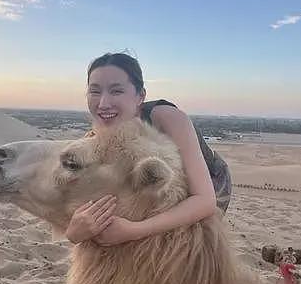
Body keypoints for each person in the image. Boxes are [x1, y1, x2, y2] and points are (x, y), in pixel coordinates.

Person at [66, 52, 232, 246]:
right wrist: (73, 233)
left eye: (116, 91)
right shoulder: (100, 132)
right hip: (152, 185)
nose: (103, 104)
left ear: (140, 96)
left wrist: (135, 230)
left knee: (186, 243)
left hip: (207, 182)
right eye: (95, 91)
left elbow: (205, 200)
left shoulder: (167, 117)